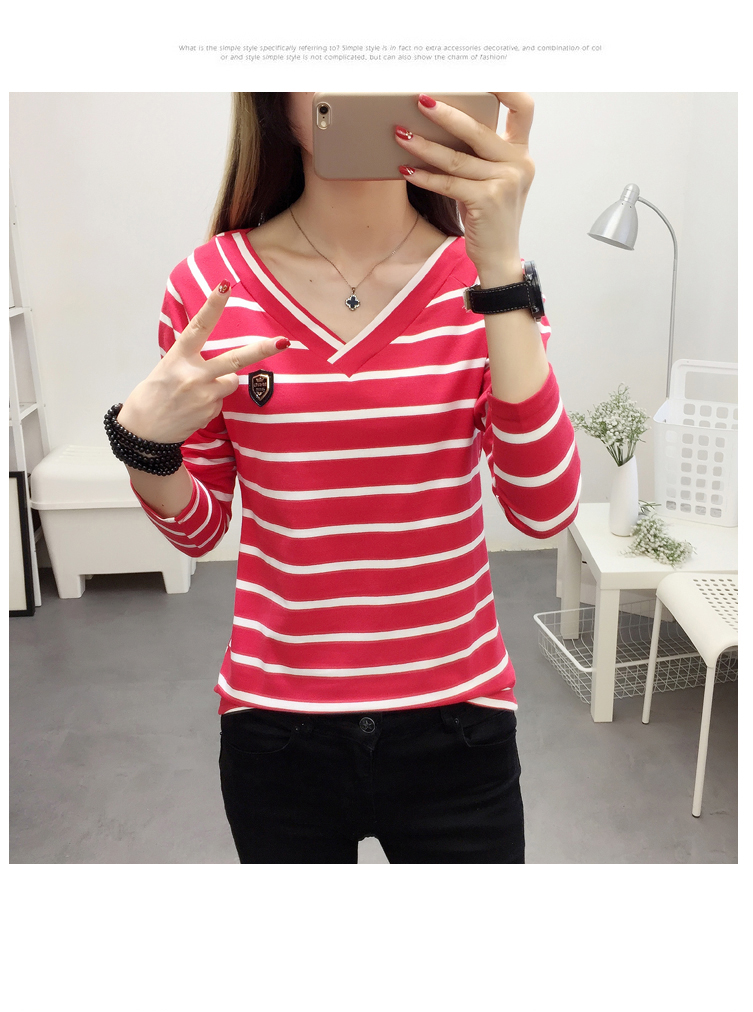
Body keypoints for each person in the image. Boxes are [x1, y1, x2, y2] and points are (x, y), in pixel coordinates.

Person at [106, 91, 581, 864]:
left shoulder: (487, 282)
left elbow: (543, 508)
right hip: (276, 726)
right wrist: (143, 446)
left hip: (458, 719)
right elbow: (199, 526)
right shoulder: (209, 284)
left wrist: (499, 264)